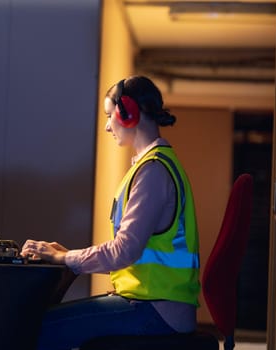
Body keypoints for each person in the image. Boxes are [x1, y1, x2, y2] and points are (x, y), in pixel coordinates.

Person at [21, 75, 201, 350]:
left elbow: (123, 251)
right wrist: (70, 257)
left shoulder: (153, 172)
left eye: (109, 116)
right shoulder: (155, 166)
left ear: (128, 114)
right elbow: (136, 256)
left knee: (40, 327)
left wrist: (66, 258)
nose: (107, 126)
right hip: (159, 306)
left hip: (157, 312)